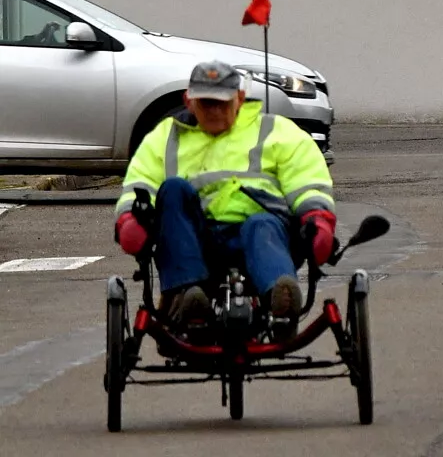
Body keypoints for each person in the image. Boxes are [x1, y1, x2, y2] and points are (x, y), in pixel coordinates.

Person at [113, 58, 337, 334]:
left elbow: (307, 180)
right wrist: (130, 220)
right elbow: (140, 183)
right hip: (195, 241)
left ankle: (280, 298)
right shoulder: (165, 137)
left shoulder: (277, 132)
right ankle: (187, 297)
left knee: (261, 224)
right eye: (206, 103)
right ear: (188, 100)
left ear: (240, 98)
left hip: (260, 233)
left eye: (222, 102)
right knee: (172, 190)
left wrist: (318, 219)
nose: (214, 110)